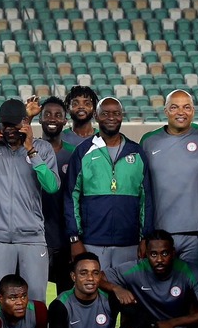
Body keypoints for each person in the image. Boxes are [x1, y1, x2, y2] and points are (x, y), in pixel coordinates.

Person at [0, 99, 59, 305]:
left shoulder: (43, 148)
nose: (9, 130)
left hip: (32, 236)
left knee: (36, 303)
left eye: (14, 125)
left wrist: (31, 150)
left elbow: (51, 186)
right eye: (5, 125)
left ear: (25, 123)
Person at [65, 96, 152, 272]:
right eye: (105, 113)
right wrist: (74, 239)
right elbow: (70, 197)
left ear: (122, 116)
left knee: (127, 295)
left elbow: (146, 199)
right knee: (95, 293)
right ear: (96, 117)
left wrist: (145, 238)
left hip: (129, 242)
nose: (111, 117)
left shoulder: (136, 152)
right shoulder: (83, 152)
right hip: (92, 241)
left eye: (116, 113)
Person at [141, 90, 198, 277]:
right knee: (165, 293)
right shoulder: (149, 141)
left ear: (193, 111)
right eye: (174, 107)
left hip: (197, 234)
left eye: (186, 107)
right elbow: (143, 191)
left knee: (195, 292)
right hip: (161, 235)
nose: (181, 112)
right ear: (166, 111)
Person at [38, 96, 76, 295]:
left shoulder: (74, 154)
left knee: (66, 296)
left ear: (65, 121)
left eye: (58, 115)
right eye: (47, 114)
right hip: (35, 238)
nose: (52, 119)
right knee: (34, 297)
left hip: (64, 240)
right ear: (40, 119)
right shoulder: (29, 151)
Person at [62, 84, 98, 148]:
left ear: (94, 109)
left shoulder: (103, 138)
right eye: (75, 104)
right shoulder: (60, 138)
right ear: (68, 108)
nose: (81, 107)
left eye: (87, 104)